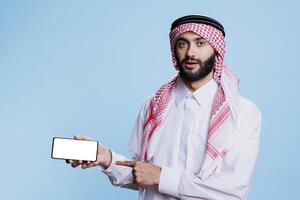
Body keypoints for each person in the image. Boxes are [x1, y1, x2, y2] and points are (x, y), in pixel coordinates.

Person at [66, 15, 262, 200]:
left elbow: (233, 191)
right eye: (182, 44)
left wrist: (161, 177)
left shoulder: (242, 113)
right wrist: (106, 158)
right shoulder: (153, 105)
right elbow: (141, 173)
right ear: (174, 50)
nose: (191, 52)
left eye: (200, 43)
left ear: (216, 50)